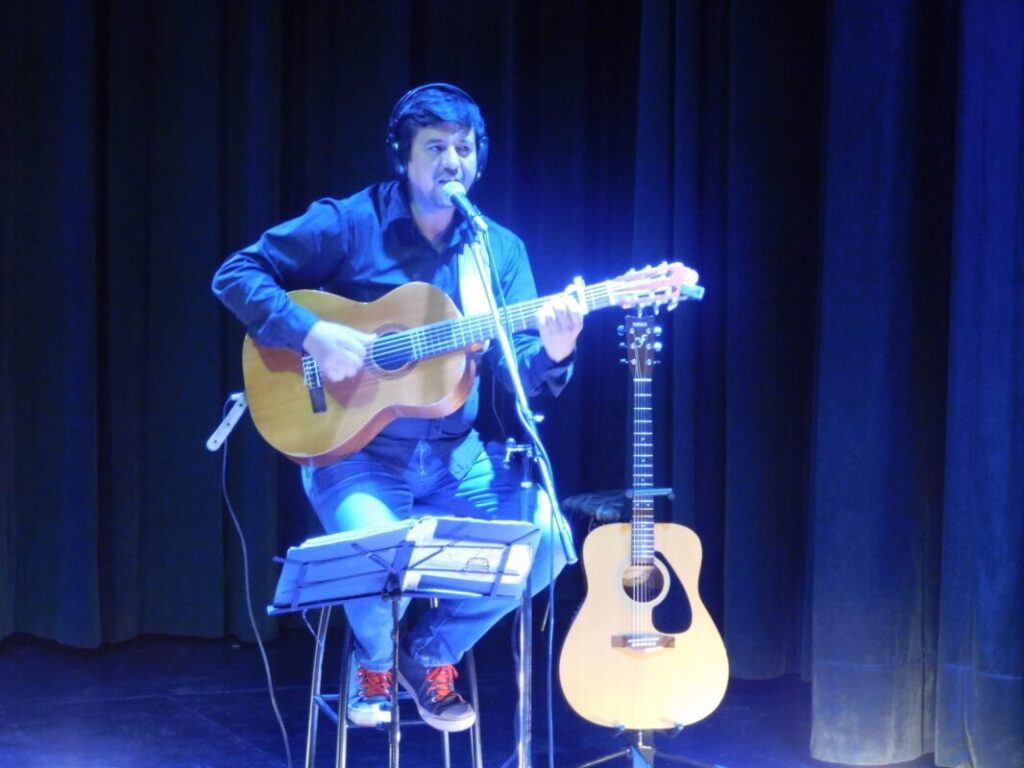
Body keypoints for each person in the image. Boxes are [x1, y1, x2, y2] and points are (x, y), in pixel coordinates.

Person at [212, 83, 583, 733]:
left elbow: (521, 373)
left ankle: (429, 652)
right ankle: (375, 660)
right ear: (402, 157)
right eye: (435, 147)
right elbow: (236, 274)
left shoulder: (496, 250)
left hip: (458, 459)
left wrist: (555, 351)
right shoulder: (351, 221)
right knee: (375, 552)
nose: (452, 161)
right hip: (356, 454)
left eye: (464, 148)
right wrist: (312, 333)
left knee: (551, 541)